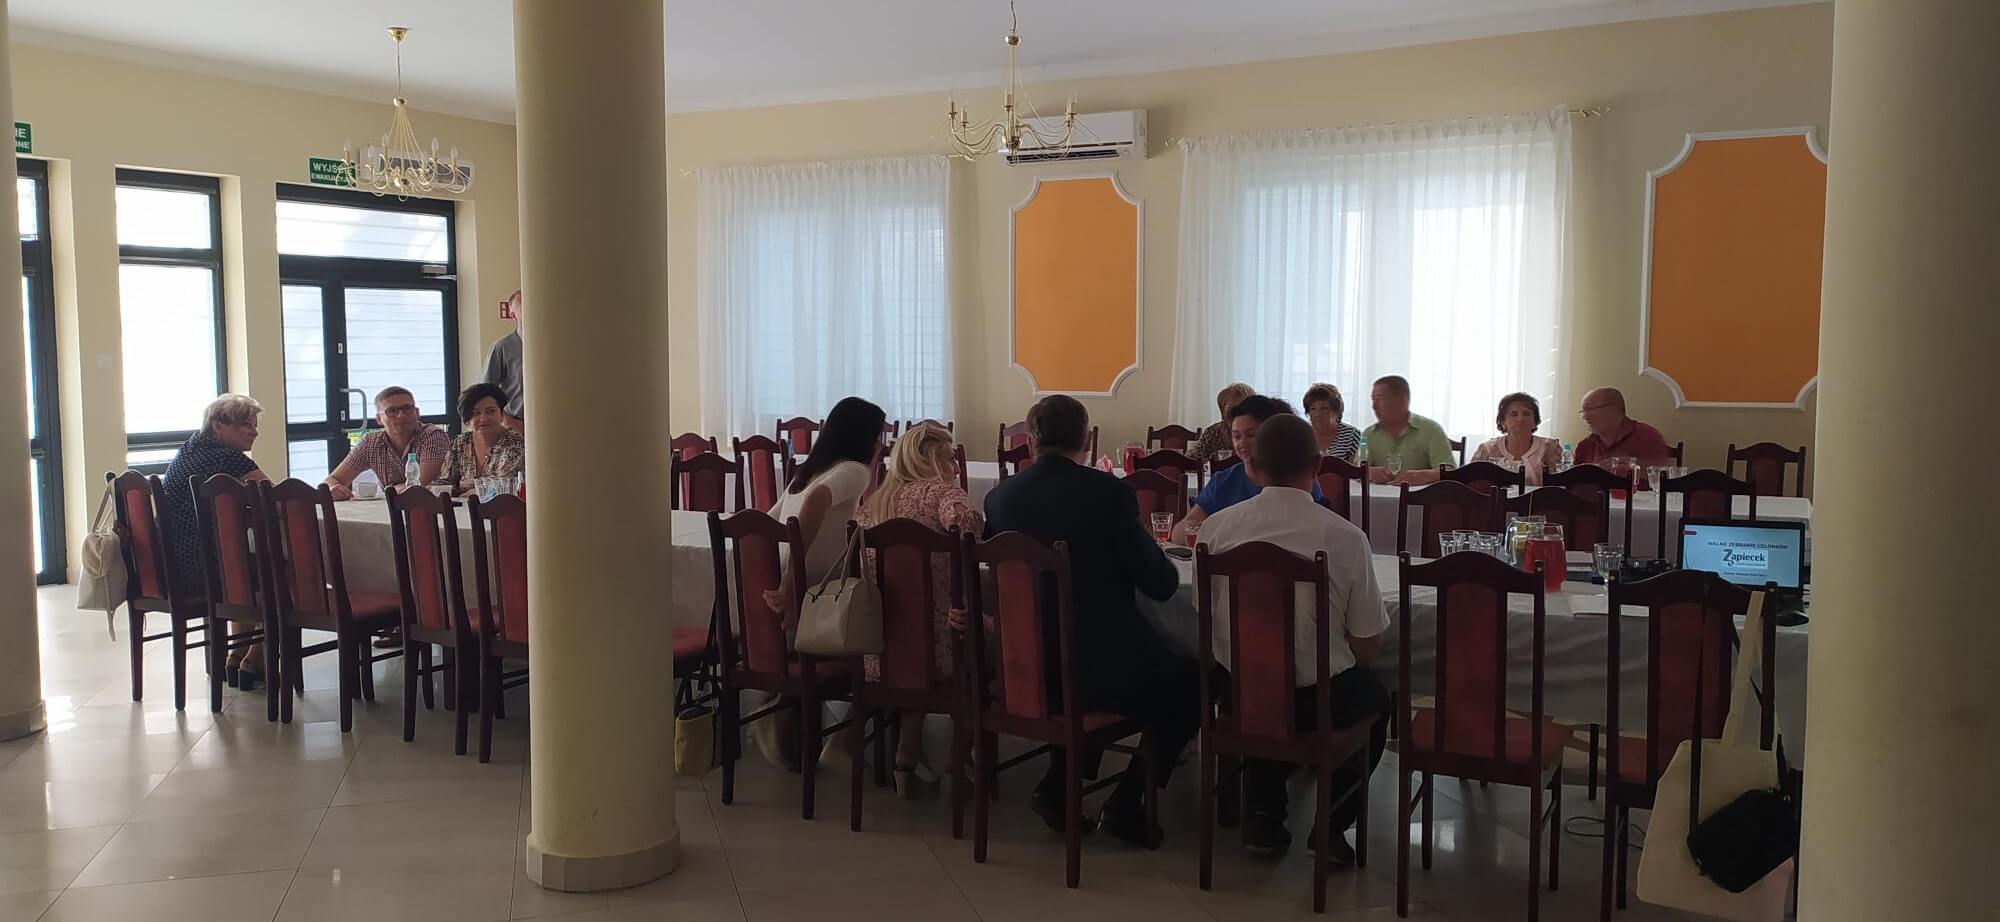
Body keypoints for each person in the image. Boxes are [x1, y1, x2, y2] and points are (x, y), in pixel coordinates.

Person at [983, 395, 1197, 848]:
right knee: (1191, 683)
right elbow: (1159, 583)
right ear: (1085, 439)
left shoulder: (1000, 498)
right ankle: (1126, 803)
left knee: (1097, 648)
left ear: (1031, 440)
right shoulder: (1107, 493)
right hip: (1095, 673)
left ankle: (1057, 785)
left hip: (1021, 669)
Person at [1195, 413, 1389, 864]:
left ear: (1251, 466)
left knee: (1263, 687)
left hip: (1237, 691)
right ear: (1317, 465)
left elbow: (1206, 615)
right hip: (1316, 697)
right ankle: (1332, 824)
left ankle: (1263, 815)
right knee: (1375, 699)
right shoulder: (1344, 536)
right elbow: (1368, 644)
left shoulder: (1215, 529)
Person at [755, 396, 886, 771]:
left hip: (795, 600)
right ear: (864, 437)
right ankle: (848, 739)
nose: (881, 443)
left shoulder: (807, 472)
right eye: (878, 435)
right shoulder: (853, 471)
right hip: (819, 599)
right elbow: (817, 502)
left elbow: (767, 522)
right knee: (888, 635)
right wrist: (790, 582)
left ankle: (784, 706)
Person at [856, 422, 980, 798]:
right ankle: (957, 761)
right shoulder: (943, 494)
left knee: (918, 635)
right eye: (949, 459)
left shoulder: (875, 502)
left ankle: (905, 759)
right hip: (940, 651)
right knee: (996, 645)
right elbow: (967, 528)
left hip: (879, 652)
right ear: (931, 460)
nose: (955, 468)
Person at [158, 394, 272, 689]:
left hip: (173, 567)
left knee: (245, 571)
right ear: (218, 427)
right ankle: (255, 658)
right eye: (245, 425)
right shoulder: (228, 457)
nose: (254, 431)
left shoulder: (188, 449)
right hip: (204, 569)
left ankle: (236, 656)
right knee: (281, 573)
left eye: (255, 425)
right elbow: (271, 497)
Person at [1169, 395, 1322, 546]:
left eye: (1251, 435)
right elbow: (1180, 533)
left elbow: (1316, 528)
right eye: (1236, 436)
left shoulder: (1297, 478)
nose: (1242, 443)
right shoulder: (1224, 481)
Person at [322, 386, 451, 500]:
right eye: (392, 411)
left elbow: (421, 487)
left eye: (407, 408)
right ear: (379, 419)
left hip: (434, 511)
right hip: (391, 510)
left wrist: (391, 490)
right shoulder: (371, 443)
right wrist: (334, 489)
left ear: (417, 413)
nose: (401, 415)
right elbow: (331, 480)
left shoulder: (433, 436)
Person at [1361, 375, 1456, 485]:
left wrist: (1426, 475)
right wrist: (1370, 473)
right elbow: (1356, 469)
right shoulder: (1368, 434)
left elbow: (1450, 470)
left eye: (1379, 398)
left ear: (1401, 400)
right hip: (1376, 495)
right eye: (1373, 400)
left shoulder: (1431, 429)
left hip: (1421, 495)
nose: (1374, 406)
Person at [437, 382, 525, 497]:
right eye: (476, 413)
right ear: (467, 419)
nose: (483, 419)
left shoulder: (514, 443)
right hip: (461, 507)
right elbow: (445, 481)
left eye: (490, 411)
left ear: (501, 414)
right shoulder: (460, 443)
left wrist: (474, 493)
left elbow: (504, 488)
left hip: (501, 508)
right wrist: (433, 490)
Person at [1471, 392, 1562, 485]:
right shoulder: (1487, 450)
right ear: (1503, 423)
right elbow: (1472, 485)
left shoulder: (1549, 447)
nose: (1520, 419)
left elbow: (1559, 485)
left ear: (1534, 422)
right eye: (1514, 414)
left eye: (1526, 414)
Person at [1574, 386, 1674, 466]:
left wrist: (1629, 465)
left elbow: (1661, 475)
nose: (1585, 417)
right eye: (1583, 412)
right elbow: (1573, 481)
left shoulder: (1647, 437)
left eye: (1591, 410)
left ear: (1614, 409)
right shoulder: (1585, 446)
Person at [484, 288, 526, 434]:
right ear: (513, 315)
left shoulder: (554, 345)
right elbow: (486, 393)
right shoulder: (502, 348)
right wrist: (507, 420)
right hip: (516, 429)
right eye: (524, 307)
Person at [1189, 382, 1254, 462]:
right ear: (1222, 413)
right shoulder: (1212, 432)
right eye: (1231, 410)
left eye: (1243, 410)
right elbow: (1190, 460)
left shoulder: (1261, 432)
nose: (1237, 415)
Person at [1303, 382, 1362, 463]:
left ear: (1336, 411)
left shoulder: (1351, 435)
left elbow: (1356, 468)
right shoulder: (1302, 435)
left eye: (1324, 408)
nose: (1317, 414)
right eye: (1313, 409)